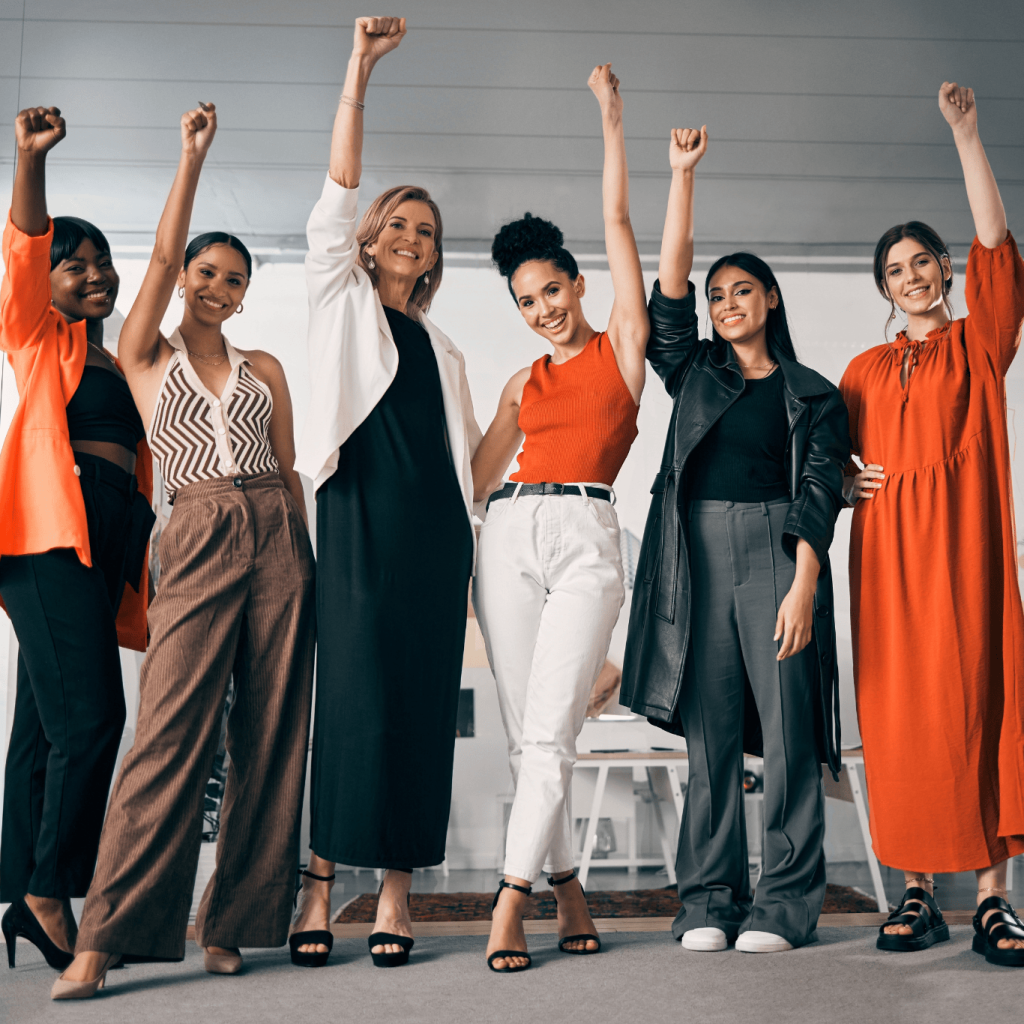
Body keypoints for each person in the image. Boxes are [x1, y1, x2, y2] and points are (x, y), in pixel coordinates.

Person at [53, 102, 316, 999]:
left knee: (271, 732)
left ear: (244, 295)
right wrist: (191, 158)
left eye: (232, 279)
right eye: (206, 271)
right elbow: (160, 258)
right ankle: (104, 938)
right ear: (185, 279)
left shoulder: (265, 368)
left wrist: (302, 555)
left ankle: (233, 921)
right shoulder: (143, 354)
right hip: (196, 525)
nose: (215, 286)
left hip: (275, 526)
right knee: (166, 733)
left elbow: (287, 467)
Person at [619, 126, 848, 954]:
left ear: (771, 299)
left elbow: (820, 492)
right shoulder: (693, 372)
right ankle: (709, 902)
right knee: (709, 738)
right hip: (695, 560)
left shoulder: (814, 394)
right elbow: (668, 291)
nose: (726, 304)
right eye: (717, 296)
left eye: (742, 291)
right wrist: (682, 177)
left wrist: (803, 585)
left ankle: (784, 906)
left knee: (788, 736)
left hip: (780, 556)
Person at [289, 17, 480, 969]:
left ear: (435, 258)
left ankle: (398, 889)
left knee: (420, 702)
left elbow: (470, 465)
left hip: (437, 535)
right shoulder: (340, 298)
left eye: (426, 231)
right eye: (397, 223)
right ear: (368, 241)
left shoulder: (444, 349)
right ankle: (322, 879)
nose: (410, 236)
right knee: (352, 696)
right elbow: (337, 190)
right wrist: (358, 69)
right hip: (358, 516)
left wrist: (525, 414)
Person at [470, 63, 648, 973]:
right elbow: (474, 478)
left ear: (578, 284)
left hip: (586, 535)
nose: (542, 310)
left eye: (551, 291)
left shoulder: (622, 349)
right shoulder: (520, 381)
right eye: (526, 301)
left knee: (551, 731)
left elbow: (618, 222)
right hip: (508, 535)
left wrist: (610, 118)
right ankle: (568, 886)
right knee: (525, 733)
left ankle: (511, 899)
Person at [841, 82, 1024, 965]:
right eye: (895, 270)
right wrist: (844, 480)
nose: (910, 277)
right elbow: (817, 459)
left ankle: (993, 898)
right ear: (883, 287)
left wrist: (966, 134)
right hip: (886, 564)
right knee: (900, 717)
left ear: (944, 270)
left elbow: (996, 242)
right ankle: (916, 894)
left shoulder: (980, 344)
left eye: (922, 263)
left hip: (966, 555)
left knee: (980, 704)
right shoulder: (862, 371)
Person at [0, 106, 154, 973]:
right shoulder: (36, 337)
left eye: (101, 260)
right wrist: (30, 160)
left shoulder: (117, 358)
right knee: (95, 717)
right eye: (75, 263)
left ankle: (22, 883)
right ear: (50, 284)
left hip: (101, 547)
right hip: (48, 541)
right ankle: (52, 891)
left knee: (45, 724)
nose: (94, 273)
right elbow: (24, 249)